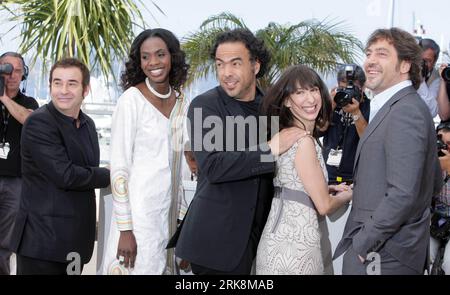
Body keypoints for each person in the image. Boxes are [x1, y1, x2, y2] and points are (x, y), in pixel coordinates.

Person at [172, 28, 306, 275]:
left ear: (255, 65)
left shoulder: (272, 108)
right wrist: (269, 148)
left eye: (235, 63)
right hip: (215, 242)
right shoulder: (205, 105)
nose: (226, 73)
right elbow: (214, 167)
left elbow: (283, 161)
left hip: (262, 241)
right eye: (220, 64)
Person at [333, 28, 443, 275]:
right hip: (387, 251)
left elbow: (403, 194)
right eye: (369, 53)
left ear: (405, 65)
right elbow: (433, 180)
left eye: (382, 54)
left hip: (382, 255)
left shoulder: (405, 111)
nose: (370, 61)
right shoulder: (404, 106)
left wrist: (363, 244)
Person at [8, 58, 110, 275]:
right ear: (50, 86)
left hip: (75, 243)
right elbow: (66, 175)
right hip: (42, 244)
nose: (63, 90)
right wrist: (109, 174)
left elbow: (85, 169)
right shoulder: (39, 122)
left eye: (72, 83)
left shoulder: (88, 124)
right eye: (57, 83)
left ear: (86, 89)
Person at [101, 28, 189, 275]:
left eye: (160, 54)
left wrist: (182, 223)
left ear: (172, 57)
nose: (154, 63)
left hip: (169, 218)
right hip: (136, 221)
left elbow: (184, 165)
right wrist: (125, 230)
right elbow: (119, 169)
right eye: (146, 57)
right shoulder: (131, 101)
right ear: (139, 62)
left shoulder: (183, 102)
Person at [255, 65, 352, 275]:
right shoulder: (304, 141)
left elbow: (295, 185)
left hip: (276, 240)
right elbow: (324, 206)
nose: (310, 99)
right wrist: (348, 195)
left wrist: (326, 188)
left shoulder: (284, 135)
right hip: (297, 247)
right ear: (287, 101)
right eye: (300, 92)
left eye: (314, 90)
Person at [0, 52, 38, 275]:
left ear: (24, 74)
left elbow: (30, 120)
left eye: (17, 70)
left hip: (16, 181)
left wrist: (4, 98)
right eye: (6, 68)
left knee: (5, 244)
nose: (11, 74)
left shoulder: (29, 102)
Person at [321, 64, 370, 184]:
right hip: (327, 174)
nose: (347, 94)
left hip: (355, 178)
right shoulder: (332, 104)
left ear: (363, 88)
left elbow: (368, 141)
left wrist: (356, 112)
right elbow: (319, 129)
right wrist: (330, 106)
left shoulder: (370, 107)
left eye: (352, 89)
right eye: (343, 89)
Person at [430, 122, 450, 274]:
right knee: (424, 256)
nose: (444, 148)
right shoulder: (430, 163)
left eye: (449, 144)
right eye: (441, 143)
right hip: (436, 220)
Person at [417, 38, 440, 118]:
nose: (422, 64)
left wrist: (420, 81)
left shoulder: (436, 78)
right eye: (420, 59)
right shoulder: (405, 70)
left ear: (434, 63)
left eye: (427, 61)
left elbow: (433, 111)